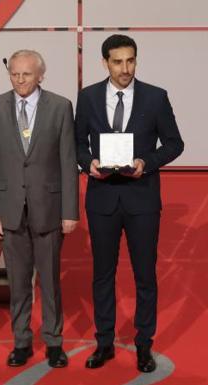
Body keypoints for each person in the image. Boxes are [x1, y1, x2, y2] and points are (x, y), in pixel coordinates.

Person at [76, 34, 184, 373]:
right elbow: (78, 143)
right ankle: (104, 342)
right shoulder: (89, 96)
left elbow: (174, 143)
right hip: (102, 199)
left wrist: (146, 162)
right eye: (118, 61)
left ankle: (143, 346)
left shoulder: (155, 97)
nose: (126, 68)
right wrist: (88, 163)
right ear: (105, 62)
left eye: (131, 61)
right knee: (102, 275)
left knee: (144, 276)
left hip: (142, 200)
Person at [0, 50, 78, 368]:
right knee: (18, 283)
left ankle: (53, 342)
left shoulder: (61, 107)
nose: (20, 80)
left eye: (26, 74)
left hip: (48, 208)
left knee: (49, 282)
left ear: (40, 75)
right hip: (9, 211)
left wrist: (70, 211)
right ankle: (21, 341)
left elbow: (67, 162)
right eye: (15, 74)